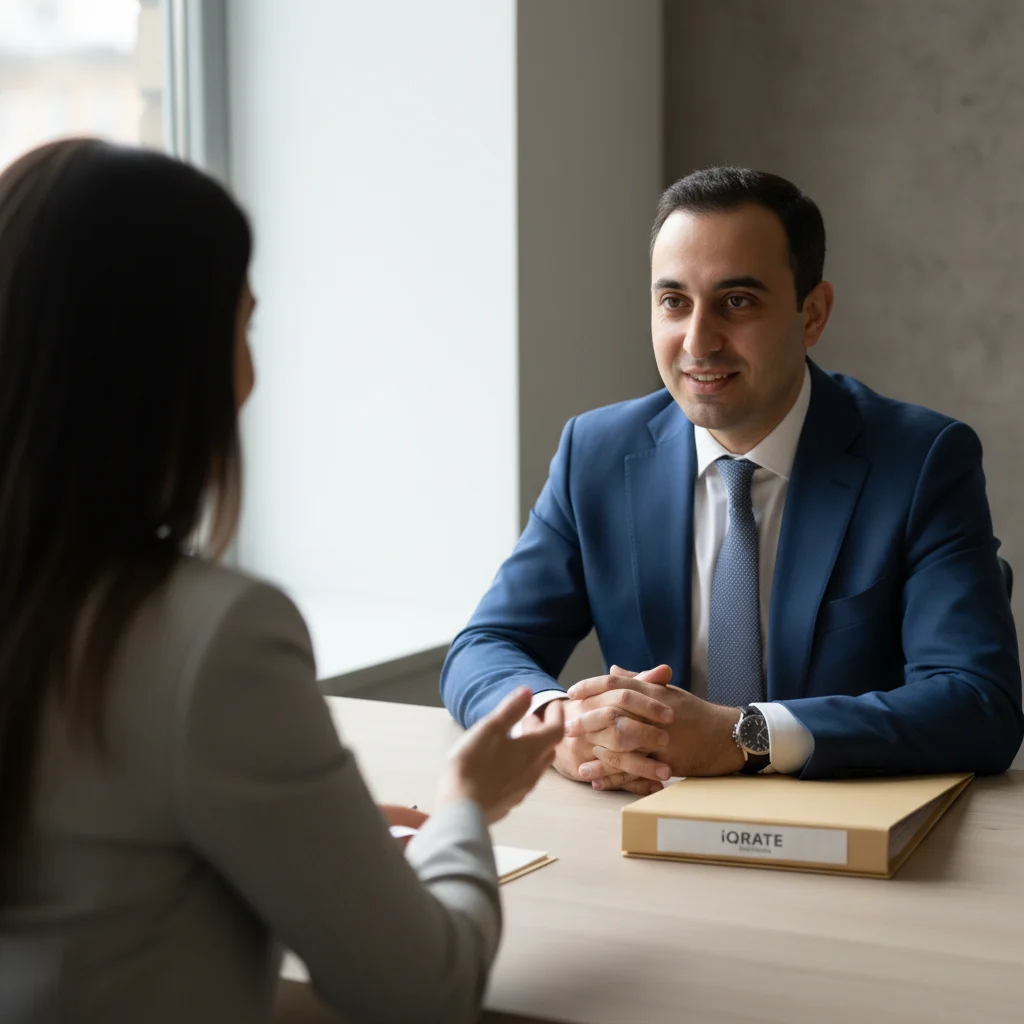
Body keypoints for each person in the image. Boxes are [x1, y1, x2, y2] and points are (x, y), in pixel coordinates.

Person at [0, 138, 564, 1024]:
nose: (252, 375)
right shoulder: (212, 638)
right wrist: (466, 804)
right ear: (166, 362)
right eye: (244, 323)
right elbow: (424, 993)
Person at [441, 166, 1023, 792]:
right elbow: (486, 644)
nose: (699, 341)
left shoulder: (921, 461)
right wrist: (557, 724)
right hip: (645, 827)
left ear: (813, 314)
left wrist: (740, 737)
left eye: (736, 302)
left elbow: (977, 705)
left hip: (839, 836)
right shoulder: (598, 452)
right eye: (674, 302)